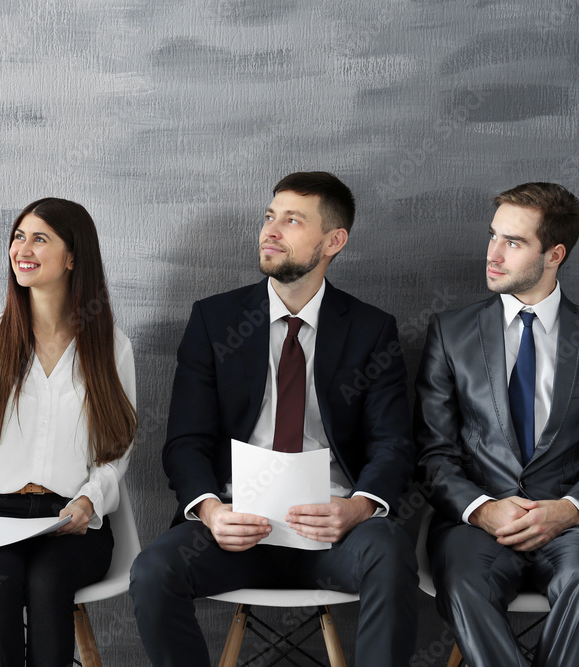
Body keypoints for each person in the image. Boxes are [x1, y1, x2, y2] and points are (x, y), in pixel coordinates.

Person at [130, 172, 418, 666]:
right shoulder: (213, 320)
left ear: (334, 241)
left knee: (390, 555)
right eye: (269, 216)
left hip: (336, 533)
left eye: (291, 220)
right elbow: (185, 441)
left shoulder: (372, 330)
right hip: (238, 526)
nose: (270, 230)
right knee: (153, 571)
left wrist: (360, 508)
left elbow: (393, 444)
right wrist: (210, 511)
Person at [414, 182, 579, 667]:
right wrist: (480, 508)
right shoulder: (450, 333)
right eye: (493, 236)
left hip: (577, 528)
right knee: (462, 582)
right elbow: (434, 454)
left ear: (554, 254)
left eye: (513, 242)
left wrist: (567, 509)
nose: (493, 254)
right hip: (477, 526)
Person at [0, 197, 137, 666]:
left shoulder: (110, 348)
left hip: (71, 518)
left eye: (40, 238)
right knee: (0, 578)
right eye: (19, 236)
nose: (23, 247)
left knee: (48, 581)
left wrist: (90, 500)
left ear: (73, 256)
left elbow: (115, 450)